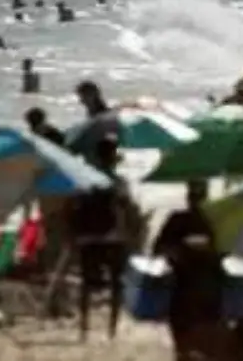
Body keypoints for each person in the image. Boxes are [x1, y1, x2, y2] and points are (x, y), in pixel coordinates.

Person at [152, 180, 224, 361]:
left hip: (202, 292)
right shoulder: (204, 220)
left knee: (197, 346)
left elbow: (225, 251)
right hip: (192, 289)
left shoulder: (213, 220)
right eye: (196, 196)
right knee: (189, 346)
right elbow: (159, 249)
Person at [72, 137, 133, 342]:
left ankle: (84, 327)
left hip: (88, 238)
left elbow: (75, 207)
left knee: (87, 284)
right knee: (117, 284)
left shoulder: (86, 179)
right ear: (114, 158)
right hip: (114, 237)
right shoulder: (119, 182)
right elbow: (127, 208)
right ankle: (111, 329)